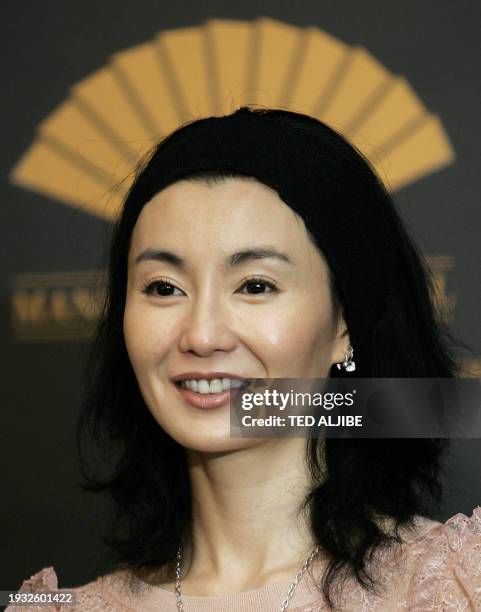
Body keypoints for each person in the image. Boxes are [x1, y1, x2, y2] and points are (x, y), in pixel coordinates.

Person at [9, 107, 481, 611]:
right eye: (164, 288)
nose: (202, 335)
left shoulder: (457, 587)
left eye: (255, 286)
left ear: (345, 324)